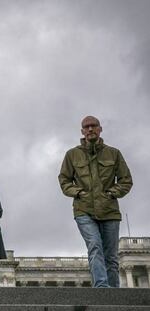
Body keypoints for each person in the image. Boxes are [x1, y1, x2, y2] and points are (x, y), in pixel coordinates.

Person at [58, 116, 133, 288]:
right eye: (86, 127)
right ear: (82, 131)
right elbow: (64, 181)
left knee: (111, 256)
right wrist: (79, 193)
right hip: (84, 209)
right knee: (95, 247)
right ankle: (101, 289)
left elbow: (126, 180)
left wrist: (112, 193)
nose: (90, 129)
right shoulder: (72, 155)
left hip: (109, 210)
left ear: (100, 129)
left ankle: (113, 295)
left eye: (93, 126)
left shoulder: (113, 153)